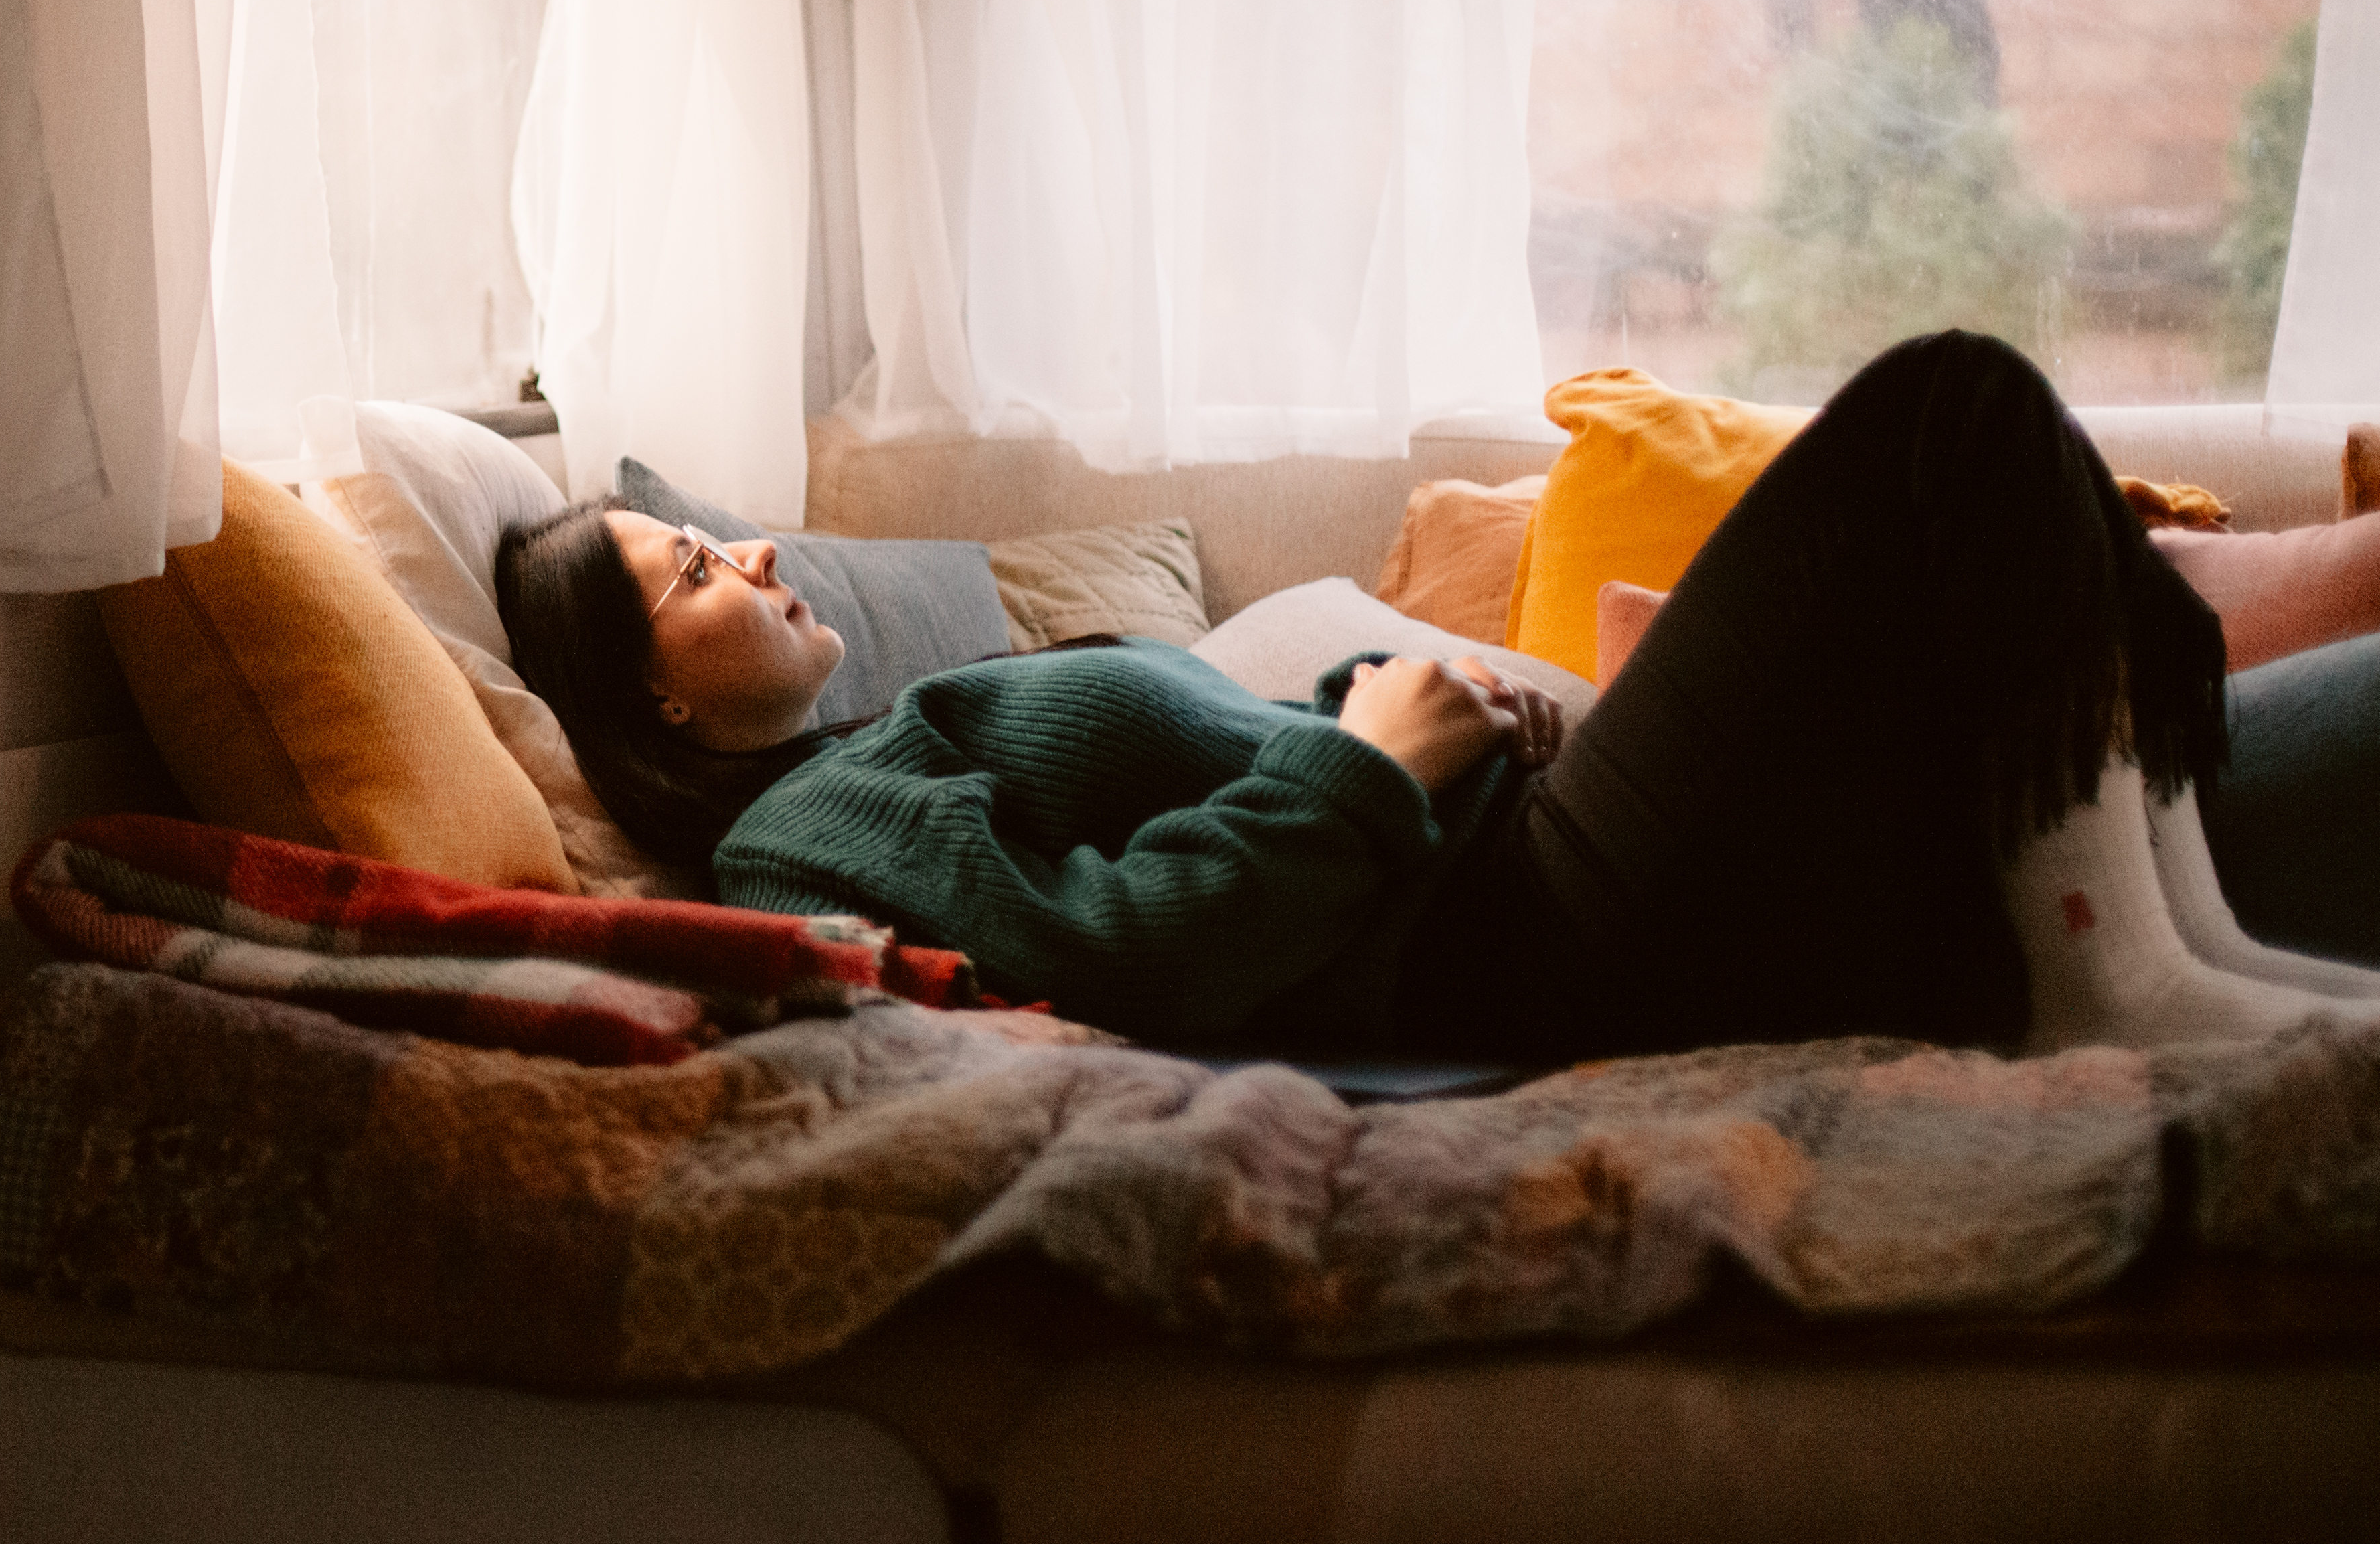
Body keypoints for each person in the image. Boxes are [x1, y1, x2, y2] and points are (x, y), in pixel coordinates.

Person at [493, 330, 2380, 1064]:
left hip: (1505, 847)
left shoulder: (897, 737)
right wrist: (1376, 774)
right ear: (653, 712)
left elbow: (1226, 786)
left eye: (716, 542)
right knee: (1947, 421)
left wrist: (1400, 697)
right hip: (1515, 934)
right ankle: (2121, 986)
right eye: (690, 574)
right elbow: (1125, 955)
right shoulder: (799, 833)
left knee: (2010, 486)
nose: (749, 553)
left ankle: (2165, 946)